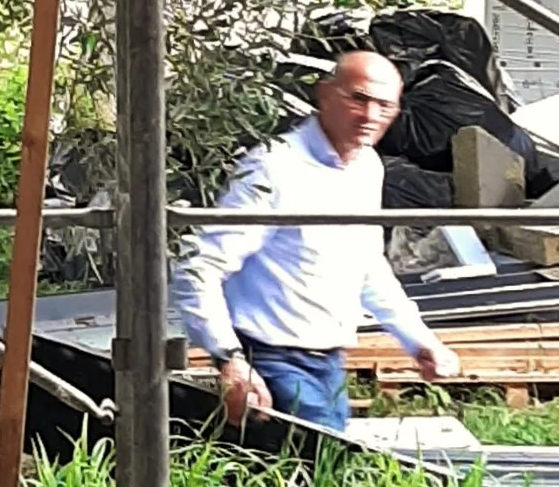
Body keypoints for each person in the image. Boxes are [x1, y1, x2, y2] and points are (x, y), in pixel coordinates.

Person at [173, 48, 461, 436]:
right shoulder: (275, 166)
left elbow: (366, 266)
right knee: (320, 469)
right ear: (324, 95)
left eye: (384, 105)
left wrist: (419, 340)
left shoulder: (365, 167)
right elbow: (199, 265)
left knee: (317, 474)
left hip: (328, 361)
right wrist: (230, 358)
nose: (370, 116)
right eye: (358, 99)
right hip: (270, 357)